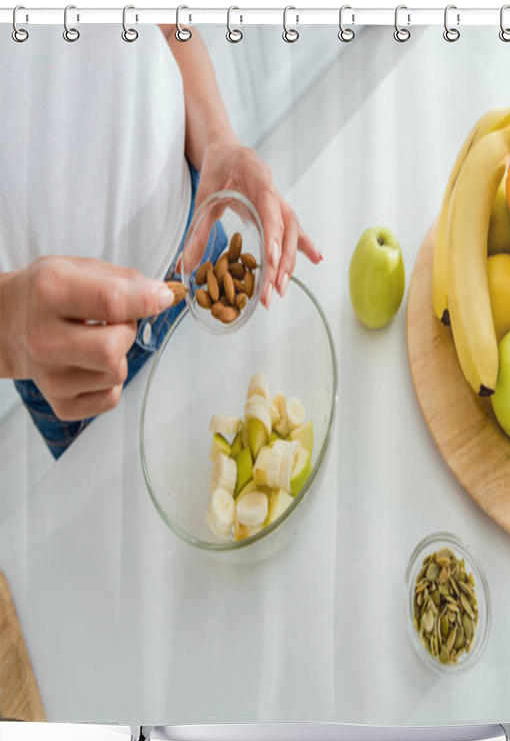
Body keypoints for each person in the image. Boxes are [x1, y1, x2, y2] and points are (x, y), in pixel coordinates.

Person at [0, 24, 321, 458]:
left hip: (198, 248)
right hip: (63, 361)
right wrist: (9, 330)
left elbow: (170, 30)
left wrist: (219, 143)